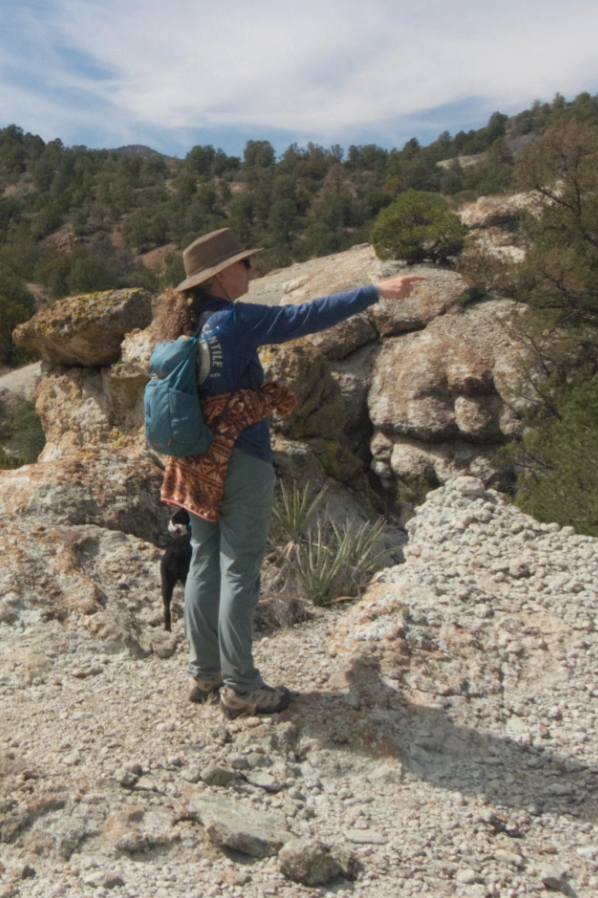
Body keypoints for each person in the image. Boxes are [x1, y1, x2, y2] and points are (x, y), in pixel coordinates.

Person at [156, 228, 420, 718]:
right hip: (241, 458)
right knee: (239, 567)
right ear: (219, 274)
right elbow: (301, 317)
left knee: (204, 560)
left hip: (196, 462)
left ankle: (204, 674)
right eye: (244, 263)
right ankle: (241, 686)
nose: (251, 270)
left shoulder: (189, 327)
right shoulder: (232, 321)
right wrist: (375, 291)